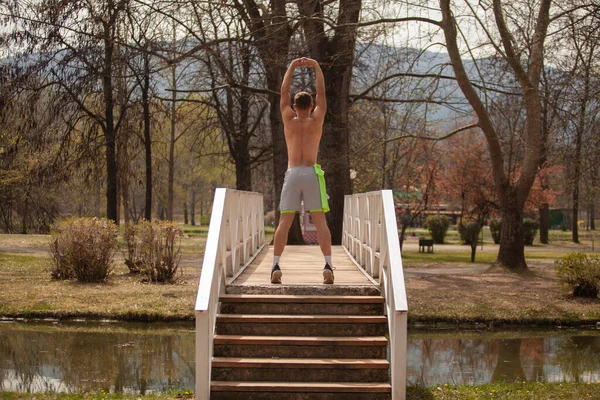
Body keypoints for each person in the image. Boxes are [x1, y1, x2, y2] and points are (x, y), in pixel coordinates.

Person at [271, 57, 333, 285]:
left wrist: (291, 67)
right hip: (311, 174)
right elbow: (322, 94)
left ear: (295, 107)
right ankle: (327, 264)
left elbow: (283, 91)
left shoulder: (289, 120)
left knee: (284, 222)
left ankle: (275, 264)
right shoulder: (316, 120)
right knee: (320, 222)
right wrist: (316, 66)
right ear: (311, 106)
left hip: (293, 172)